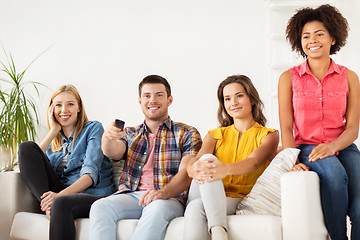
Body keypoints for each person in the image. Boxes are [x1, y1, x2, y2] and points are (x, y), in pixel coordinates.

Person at [278, 4, 360, 240]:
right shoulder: (288, 78)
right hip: (307, 146)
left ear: (333, 38)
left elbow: (353, 127)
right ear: (299, 41)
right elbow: (286, 126)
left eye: (319, 34)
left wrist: (334, 146)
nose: (312, 40)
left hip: (343, 145)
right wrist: (290, 159)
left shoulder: (350, 77)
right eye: (306, 36)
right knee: (334, 175)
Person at [89, 75, 202, 240]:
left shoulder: (187, 133)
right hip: (133, 195)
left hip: (168, 197)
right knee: (100, 206)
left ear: (169, 100)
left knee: (155, 209)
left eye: (159, 95)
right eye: (147, 96)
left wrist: (163, 192)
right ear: (140, 101)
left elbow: (186, 171)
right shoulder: (130, 133)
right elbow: (112, 151)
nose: (153, 100)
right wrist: (108, 137)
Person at [184, 75, 279, 240]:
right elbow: (199, 161)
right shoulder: (214, 135)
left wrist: (224, 169)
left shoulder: (268, 136)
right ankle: (219, 232)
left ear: (252, 99)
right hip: (205, 191)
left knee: (195, 207)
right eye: (227, 99)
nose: (233, 103)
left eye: (239, 96)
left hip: (239, 198)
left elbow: (253, 162)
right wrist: (190, 167)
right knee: (206, 158)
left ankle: (218, 231)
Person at [18, 84, 114, 240]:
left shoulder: (93, 128)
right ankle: (50, 209)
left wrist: (58, 197)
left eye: (70, 104)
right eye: (58, 105)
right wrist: (52, 132)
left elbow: (90, 175)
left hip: (93, 196)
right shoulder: (54, 142)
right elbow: (32, 162)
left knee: (61, 204)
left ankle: (52, 207)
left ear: (79, 108)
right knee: (27, 147)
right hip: (62, 195)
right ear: (52, 109)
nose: (64, 110)